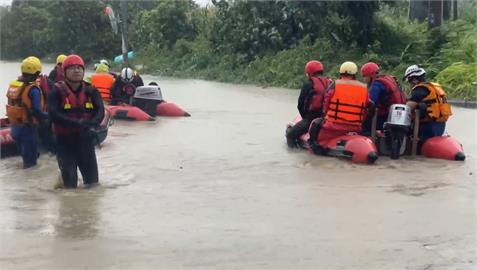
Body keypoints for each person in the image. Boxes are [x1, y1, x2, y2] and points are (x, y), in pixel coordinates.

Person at [48, 54, 105, 188]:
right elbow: (54, 114)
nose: (76, 71)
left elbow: (100, 111)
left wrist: (92, 124)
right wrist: (76, 123)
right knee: (70, 188)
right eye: (72, 68)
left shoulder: (91, 90)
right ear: (65, 71)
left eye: (79, 68)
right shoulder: (56, 91)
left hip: (86, 142)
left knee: (93, 185)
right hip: (65, 143)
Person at [308, 61, 373, 154]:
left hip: (333, 127)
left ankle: (315, 147)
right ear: (355, 74)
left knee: (315, 123)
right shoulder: (363, 88)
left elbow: (325, 103)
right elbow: (370, 106)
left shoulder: (335, 84)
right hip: (355, 127)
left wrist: (325, 116)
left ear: (341, 73)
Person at [6, 56, 48, 168]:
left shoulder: (15, 86)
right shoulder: (33, 90)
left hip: (15, 128)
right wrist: (50, 116)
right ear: (37, 72)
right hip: (28, 129)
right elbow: (37, 111)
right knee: (31, 164)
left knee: (25, 158)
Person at [286, 60, 331, 148]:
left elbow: (300, 105)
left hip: (311, 118)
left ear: (309, 73)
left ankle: (294, 154)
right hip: (327, 118)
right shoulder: (331, 83)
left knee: (290, 135)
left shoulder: (308, 84)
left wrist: (305, 118)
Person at [403, 64, 451, 142]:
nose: (410, 84)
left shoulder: (419, 89)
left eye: (409, 81)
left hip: (427, 126)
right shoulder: (432, 87)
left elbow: (407, 108)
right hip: (440, 125)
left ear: (414, 80)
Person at [360, 62, 407, 133]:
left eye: (365, 76)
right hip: (395, 117)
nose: (364, 79)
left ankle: (367, 139)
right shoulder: (388, 79)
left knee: (362, 124)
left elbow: (371, 101)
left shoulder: (377, 85)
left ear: (370, 75)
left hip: (383, 118)